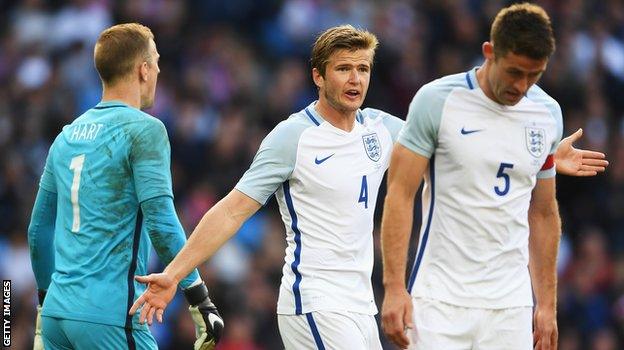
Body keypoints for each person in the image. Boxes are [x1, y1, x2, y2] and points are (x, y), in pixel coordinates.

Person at [128, 24, 607, 350]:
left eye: (363, 69)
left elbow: (456, 153)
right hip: (311, 298)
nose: (355, 79)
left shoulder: (383, 129)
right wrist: (175, 273)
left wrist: (540, 157)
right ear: (319, 76)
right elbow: (231, 210)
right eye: (343, 69)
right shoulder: (293, 136)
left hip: (361, 303)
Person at [379, 3, 598, 350]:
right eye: (514, 72)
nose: (522, 85)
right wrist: (394, 288)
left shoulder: (547, 115)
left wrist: (546, 304)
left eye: (534, 75)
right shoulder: (438, 101)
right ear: (489, 52)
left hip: (509, 304)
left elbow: (542, 212)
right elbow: (400, 194)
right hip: (440, 300)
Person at [27, 23, 223, 350]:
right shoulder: (144, 130)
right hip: (110, 316)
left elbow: (38, 231)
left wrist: (43, 308)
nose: (159, 69)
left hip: (57, 317)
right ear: (143, 69)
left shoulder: (66, 137)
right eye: (156, 61)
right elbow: (161, 223)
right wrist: (199, 298)